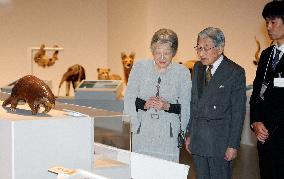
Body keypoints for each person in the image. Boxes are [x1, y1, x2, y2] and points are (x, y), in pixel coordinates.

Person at [185, 27, 246, 179]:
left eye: (206, 48)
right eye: (198, 48)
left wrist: (233, 145)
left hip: (220, 142)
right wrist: (189, 133)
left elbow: (238, 112)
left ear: (220, 48)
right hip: (198, 139)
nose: (200, 53)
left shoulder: (234, 72)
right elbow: (194, 103)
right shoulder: (198, 67)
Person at [123, 28, 191, 162]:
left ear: (174, 53)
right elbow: (129, 99)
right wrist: (144, 105)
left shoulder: (182, 72)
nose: (161, 57)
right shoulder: (139, 67)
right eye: (158, 52)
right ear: (152, 51)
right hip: (142, 132)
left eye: (167, 53)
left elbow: (186, 107)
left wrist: (167, 106)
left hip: (168, 136)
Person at [249, 1, 284, 179]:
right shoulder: (266, 55)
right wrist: (255, 121)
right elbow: (257, 92)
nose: (269, 27)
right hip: (264, 139)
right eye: (266, 22)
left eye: (273, 22)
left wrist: (269, 127)